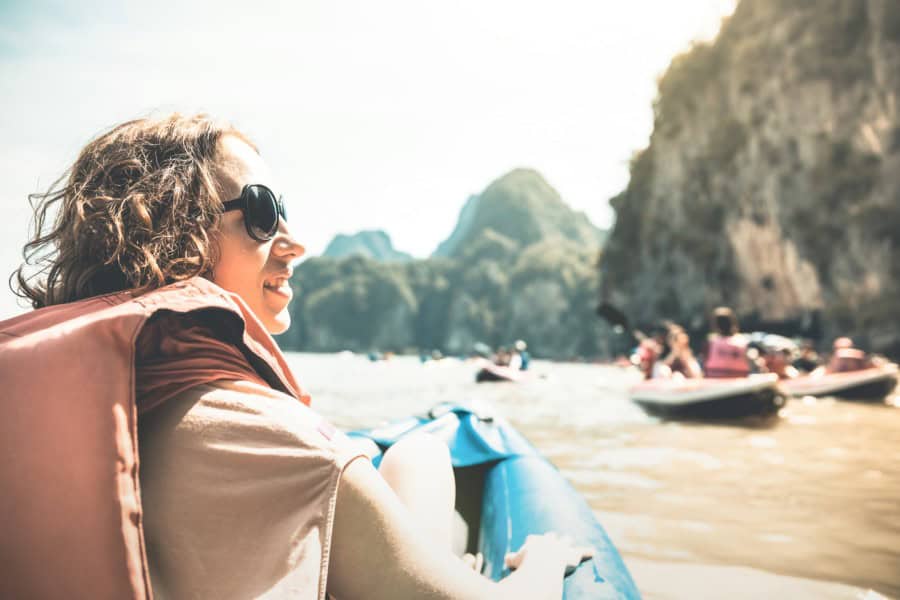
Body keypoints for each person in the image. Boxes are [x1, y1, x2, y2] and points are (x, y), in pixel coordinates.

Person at [1, 114, 590, 599]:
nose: (294, 241)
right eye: (260, 213)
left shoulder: (51, 416)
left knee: (420, 453)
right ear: (171, 235)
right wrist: (539, 564)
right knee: (422, 457)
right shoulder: (283, 444)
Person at [703, 306, 753, 378]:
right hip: (739, 376)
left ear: (715, 325)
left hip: (715, 376)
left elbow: (705, 361)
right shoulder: (743, 341)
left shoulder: (711, 342)